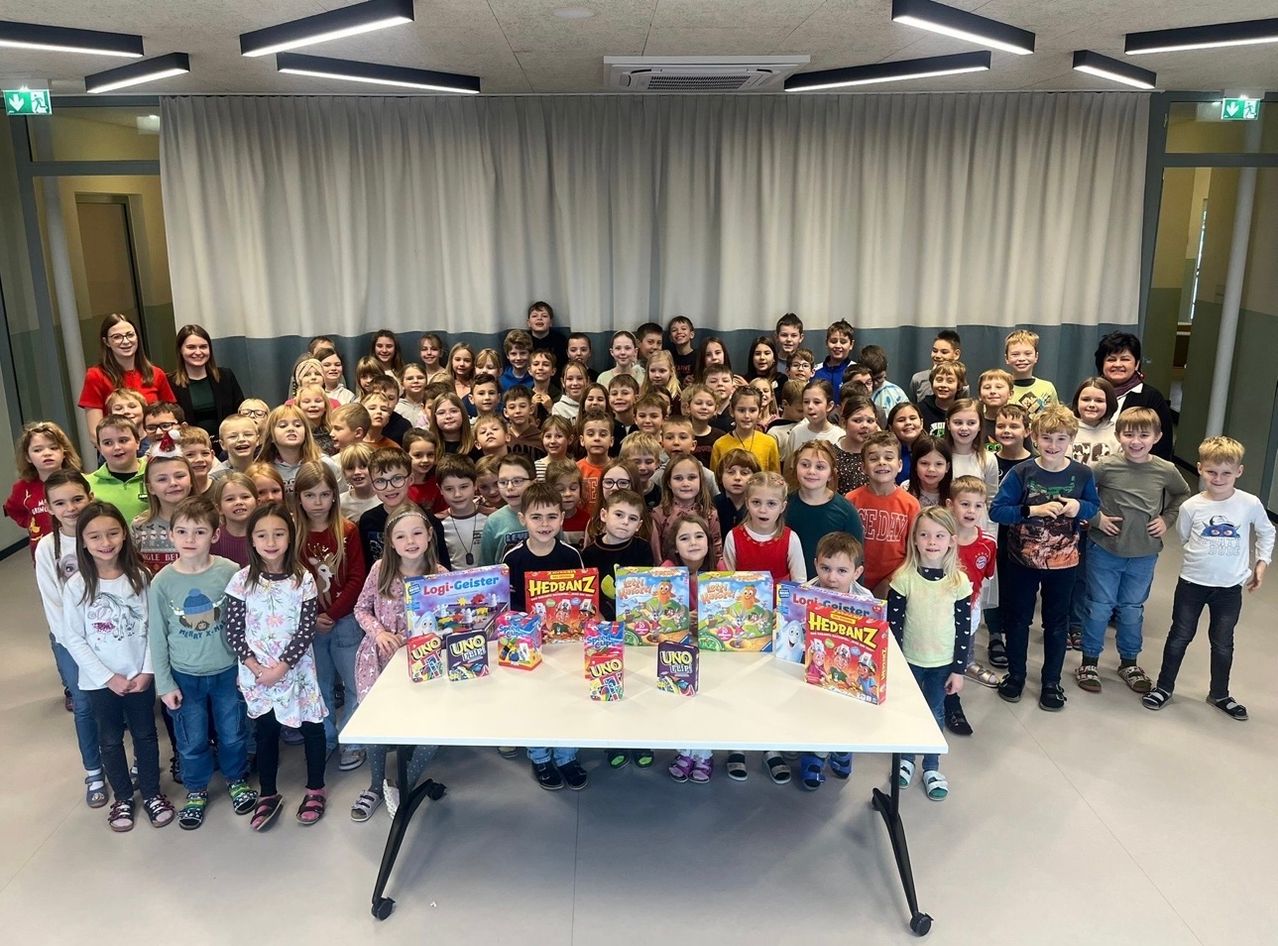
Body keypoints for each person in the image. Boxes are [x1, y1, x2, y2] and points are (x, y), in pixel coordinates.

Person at [61, 500, 174, 831]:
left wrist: (147, 671)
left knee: (145, 735)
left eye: (112, 533)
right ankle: (123, 797)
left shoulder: (140, 578)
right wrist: (107, 678)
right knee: (110, 740)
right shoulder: (77, 586)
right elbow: (74, 638)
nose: (105, 542)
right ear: (83, 542)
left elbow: (154, 629)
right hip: (101, 683)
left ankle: (152, 793)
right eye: (95, 537)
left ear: (125, 535)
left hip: (139, 677)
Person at [1143, 436, 1274, 718]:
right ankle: (1164, 687)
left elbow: (1266, 531)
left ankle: (1220, 693)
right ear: (1200, 468)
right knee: (1179, 636)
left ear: (1239, 471)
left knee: (1223, 641)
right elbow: (1185, 536)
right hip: (1192, 583)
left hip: (1228, 589)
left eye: (1226, 472)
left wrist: (1262, 562)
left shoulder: (1249, 504)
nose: (1218, 478)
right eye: (1212, 471)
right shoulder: (1192, 506)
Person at [148, 496, 257, 830]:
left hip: (228, 673)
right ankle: (196, 790)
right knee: (191, 739)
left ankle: (236, 779)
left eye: (199, 531)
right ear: (171, 535)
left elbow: (246, 623)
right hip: (185, 677)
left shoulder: (229, 572)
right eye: (182, 531)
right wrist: (164, 684)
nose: (190, 539)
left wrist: (246, 667)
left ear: (215, 534)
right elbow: (157, 634)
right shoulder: (162, 582)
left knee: (233, 732)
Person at [225, 502, 327, 831]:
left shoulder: (303, 579)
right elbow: (233, 631)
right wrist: (257, 668)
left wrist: (282, 667)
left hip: (295, 670)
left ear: (290, 537)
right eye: (262, 535)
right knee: (266, 731)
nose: (271, 541)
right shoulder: (241, 581)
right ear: (252, 540)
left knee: (312, 726)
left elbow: (306, 628)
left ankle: (315, 788)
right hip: (257, 673)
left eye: (279, 534)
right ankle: (268, 792)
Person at [990, 406, 1100, 712]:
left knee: (1056, 622)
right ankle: (1016, 674)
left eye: (1060, 438)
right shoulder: (1021, 472)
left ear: (1071, 439)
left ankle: (1051, 681)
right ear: (1034, 437)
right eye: (1046, 437)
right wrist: (1031, 511)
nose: (1052, 444)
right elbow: (997, 511)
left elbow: (1094, 506)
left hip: (1064, 563)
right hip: (1021, 561)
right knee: (1018, 618)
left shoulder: (1082, 474)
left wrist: (1078, 507)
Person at [1076, 408, 1190, 696]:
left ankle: (1129, 662)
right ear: (1118, 436)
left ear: (1157, 437)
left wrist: (1166, 519)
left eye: (1143, 435)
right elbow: (1080, 494)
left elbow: (1181, 494)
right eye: (1128, 434)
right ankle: (1089, 661)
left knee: (1131, 609)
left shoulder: (1165, 469)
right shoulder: (1105, 467)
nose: (1136, 441)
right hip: (1105, 549)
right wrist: (1096, 518)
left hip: (1144, 553)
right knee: (1099, 605)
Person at [350, 507, 446, 821]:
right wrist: (378, 632)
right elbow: (361, 609)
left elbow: (451, 623)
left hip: (423, 665)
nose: (410, 541)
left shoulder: (442, 577)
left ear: (430, 535)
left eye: (417, 533)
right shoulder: (380, 570)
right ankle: (376, 785)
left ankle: (406, 780)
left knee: (431, 728)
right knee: (377, 726)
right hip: (379, 661)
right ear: (390, 542)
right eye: (401, 536)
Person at [502, 482, 589, 791]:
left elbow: (584, 600)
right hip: (529, 647)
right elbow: (506, 606)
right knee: (534, 703)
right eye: (536, 517)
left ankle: (567, 755)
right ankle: (539, 756)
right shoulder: (512, 559)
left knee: (568, 700)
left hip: (566, 645)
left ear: (562, 519)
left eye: (552, 517)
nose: (544, 524)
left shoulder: (570, 555)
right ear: (522, 518)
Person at [720, 470, 805, 786]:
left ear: (782, 506)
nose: (763, 509)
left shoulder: (790, 538)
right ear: (747, 502)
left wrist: (782, 617)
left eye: (771, 503)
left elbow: (799, 585)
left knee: (774, 688)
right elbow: (727, 582)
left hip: (779, 627)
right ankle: (737, 746)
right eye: (756, 502)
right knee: (740, 686)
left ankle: (772, 747)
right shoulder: (734, 537)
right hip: (742, 626)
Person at [888, 508, 972, 801]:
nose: (931, 541)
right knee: (908, 713)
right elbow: (893, 625)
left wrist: (959, 670)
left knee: (935, 713)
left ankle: (932, 766)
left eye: (938, 536)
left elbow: (964, 631)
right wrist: (894, 665)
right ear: (914, 540)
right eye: (924, 535)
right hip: (910, 661)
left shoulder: (958, 581)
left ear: (951, 540)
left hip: (943, 664)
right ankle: (906, 760)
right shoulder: (903, 578)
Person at [35, 470, 103, 808]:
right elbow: (54, 603)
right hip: (71, 643)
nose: (71, 507)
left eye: (77, 499)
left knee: (119, 704)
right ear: (48, 507)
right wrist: (78, 646)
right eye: (60, 503)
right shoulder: (49, 548)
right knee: (86, 705)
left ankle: (131, 763)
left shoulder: (105, 535)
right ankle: (93, 771)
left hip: (111, 637)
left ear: (90, 497)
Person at [295, 462, 367, 764]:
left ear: (335, 496)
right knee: (319, 684)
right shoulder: (294, 534)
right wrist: (312, 616)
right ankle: (325, 737)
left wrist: (333, 614)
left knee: (353, 682)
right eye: (310, 495)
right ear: (298, 497)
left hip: (345, 621)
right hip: (309, 625)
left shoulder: (347, 530)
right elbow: (292, 580)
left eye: (325, 495)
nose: (318, 503)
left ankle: (350, 737)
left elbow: (357, 577)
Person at [583, 488, 656, 771]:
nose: (625, 522)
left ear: (639, 524)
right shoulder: (589, 553)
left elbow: (647, 586)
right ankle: (614, 739)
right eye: (619, 515)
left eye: (632, 518)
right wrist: (599, 619)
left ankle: (640, 740)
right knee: (610, 681)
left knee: (640, 684)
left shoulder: (641, 549)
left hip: (637, 628)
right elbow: (587, 594)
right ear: (604, 516)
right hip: (604, 630)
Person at [797, 531, 873, 791]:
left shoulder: (865, 599)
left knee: (847, 713)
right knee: (813, 713)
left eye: (842, 571)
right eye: (826, 568)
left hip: (847, 673)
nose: (831, 577)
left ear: (857, 572)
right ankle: (814, 754)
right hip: (813, 669)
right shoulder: (805, 593)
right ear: (816, 563)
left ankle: (842, 749)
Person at [943, 476, 1000, 737]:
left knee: (959, 654)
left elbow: (985, 577)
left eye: (978, 506)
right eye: (965, 504)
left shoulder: (988, 543)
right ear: (950, 505)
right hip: (938, 607)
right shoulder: (940, 538)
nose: (971, 511)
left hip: (969, 607)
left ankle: (952, 701)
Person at [79, 314, 176, 440]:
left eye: (130, 335)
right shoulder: (96, 376)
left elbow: (172, 419)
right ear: (106, 342)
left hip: (156, 450)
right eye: (117, 337)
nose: (125, 341)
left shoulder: (156, 374)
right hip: (116, 452)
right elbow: (94, 432)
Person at [847, 431, 920, 597]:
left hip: (896, 584)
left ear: (900, 465)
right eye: (873, 459)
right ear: (863, 467)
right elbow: (844, 546)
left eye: (888, 458)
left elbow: (914, 553)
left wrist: (890, 582)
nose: (881, 463)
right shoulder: (851, 500)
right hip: (854, 582)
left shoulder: (911, 505)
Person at [786, 440, 864, 577]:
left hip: (829, 587)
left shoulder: (846, 511)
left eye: (820, 467)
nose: (811, 471)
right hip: (789, 586)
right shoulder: (784, 505)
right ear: (795, 467)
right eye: (805, 465)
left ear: (830, 474)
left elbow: (856, 558)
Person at [5, 419, 81, 557]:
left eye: (53, 448)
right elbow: (12, 509)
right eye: (38, 450)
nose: (47, 453)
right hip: (44, 552)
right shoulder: (22, 488)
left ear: (64, 452)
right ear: (28, 457)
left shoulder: (78, 481)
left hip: (79, 547)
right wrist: (30, 522)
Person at [1094, 331, 1174, 460]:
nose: (1118, 364)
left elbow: (1163, 447)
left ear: (1136, 364)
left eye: (1125, 359)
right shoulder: (1090, 393)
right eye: (1111, 359)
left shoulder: (1151, 397)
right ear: (1101, 364)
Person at [168, 324, 245, 450]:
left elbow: (239, 413)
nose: (198, 352)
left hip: (227, 447)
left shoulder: (225, 376)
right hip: (189, 448)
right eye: (191, 347)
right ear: (180, 350)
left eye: (203, 347)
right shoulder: (170, 383)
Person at [649, 454, 722, 566]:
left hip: (703, 575)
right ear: (669, 482)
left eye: (692, 477)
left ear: (700, 480)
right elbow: (656, 554)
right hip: (669, 577)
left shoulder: (709, 513)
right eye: (678, 478)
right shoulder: (659, 514)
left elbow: (716, 550)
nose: (685, 484)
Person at [479, 454, 537, 565]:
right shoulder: (494, 521)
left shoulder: (549, 514)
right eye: (503, 482)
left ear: (534, 482)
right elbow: (486, 565)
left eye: (517, 481)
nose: (509, 487)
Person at [710, 387, 780, 474]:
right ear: (732, 411)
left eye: (752, 410)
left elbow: (775, 479)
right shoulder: (720, 445)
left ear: (759, 412)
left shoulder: (769, 443)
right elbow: (716, 480)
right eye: (741, 410)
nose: (747, 415)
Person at [1005, 330, 1058, 425]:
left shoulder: (1047, 387)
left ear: (1036, 357)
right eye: (1015, 354)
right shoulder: (1001, 388)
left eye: (1028, 353)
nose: (1021, 359)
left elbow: (1056, 420)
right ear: (1007, 358)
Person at [210, 471, 256, 566]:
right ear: (219, 508)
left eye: (245, 497)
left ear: (258, 502)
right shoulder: (212, 539)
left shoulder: (266, 536)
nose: (239, 502)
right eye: (230, 499)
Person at [910, 330, 965, 402]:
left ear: (956, 354)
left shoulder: (962, 383)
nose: (937, 356)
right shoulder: (918, 379)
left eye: (944, 352)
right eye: (935, 351)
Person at [813, 320, 855, 401]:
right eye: (833, 341)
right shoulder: (815, 371)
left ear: (851, 344)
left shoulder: (856, 371)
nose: (838, 346)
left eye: (843, 342)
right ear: (826, 343)